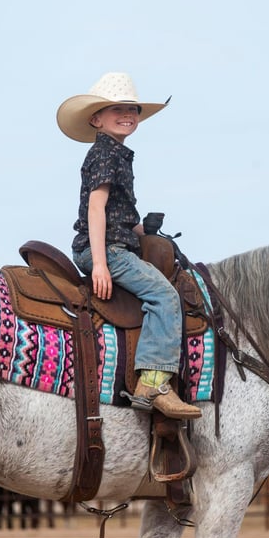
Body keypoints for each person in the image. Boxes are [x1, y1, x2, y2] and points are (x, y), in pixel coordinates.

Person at [57, 72, 201, 420]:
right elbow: (96, 208)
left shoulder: (117, 154)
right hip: (106, 249)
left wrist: (142, 229)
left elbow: (117, 213)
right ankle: (153, 382)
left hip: (116, 242)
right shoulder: (105, 155)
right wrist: (102, 264)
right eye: (118, 108)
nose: (128, 114)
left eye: (133, 109)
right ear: (96, 118)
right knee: (164, 295)